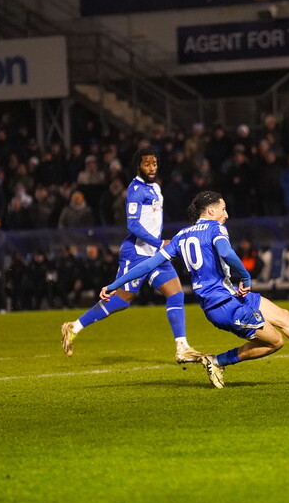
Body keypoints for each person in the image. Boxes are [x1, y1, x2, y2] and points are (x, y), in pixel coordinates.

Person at [99, 191, 289, 388]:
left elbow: (148, 265)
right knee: (276, 341)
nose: (226, 214)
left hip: (228, 297)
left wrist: (113, 285)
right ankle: (217, 361)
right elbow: (227, 253)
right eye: (223, 209)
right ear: (212, 211)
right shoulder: (216, 228)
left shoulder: (181, 235)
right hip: (225, 305)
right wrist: (245, 276)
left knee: (284, 316)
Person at [60, 148, 201, 363]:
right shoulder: (135, 190)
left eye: (154, 163)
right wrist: (158, 241)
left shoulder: (155, 187)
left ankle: (182, 348)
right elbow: (132, 224)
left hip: (155, 254)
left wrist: (158, 245)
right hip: (136, 253)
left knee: (176, 294)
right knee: (123, 299)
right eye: (147, 164)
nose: (152, 168)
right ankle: (74, 327)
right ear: (138, 166)